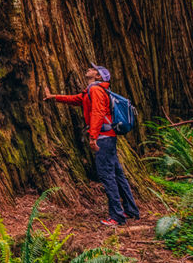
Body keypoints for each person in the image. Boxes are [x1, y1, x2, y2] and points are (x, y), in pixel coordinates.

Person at [43, 63, 140, 226]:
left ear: (98, 76)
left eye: (93, 69)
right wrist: (54, 97)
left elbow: (98, 112)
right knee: (117, 175)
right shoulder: (92, 90)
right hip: (108, 138)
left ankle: (117, 216)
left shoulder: (96, 90)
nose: (89, 69)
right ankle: (131, 210)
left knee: (107, 175)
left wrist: (93, 137)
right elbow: (75, 99)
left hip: (103, 138)